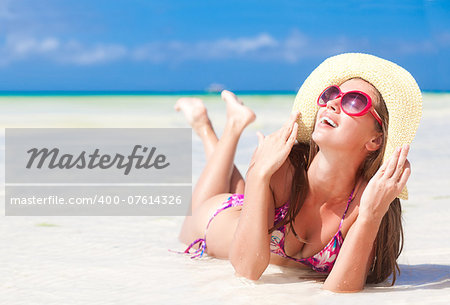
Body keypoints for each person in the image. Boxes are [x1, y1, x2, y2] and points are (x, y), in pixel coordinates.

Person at [175, 53, 422, 293]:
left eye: (354, 101)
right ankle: (222, 126)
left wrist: (370, 216)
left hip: (262, 211)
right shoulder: (284, 168)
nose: (333, 103)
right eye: (332, 94)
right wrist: (259, 174)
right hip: (214, 222)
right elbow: (248, 271)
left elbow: (340, 292)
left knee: (253, 193)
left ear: (376, 139)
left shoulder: (369, 201)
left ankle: (228, 122)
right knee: (197, 212)